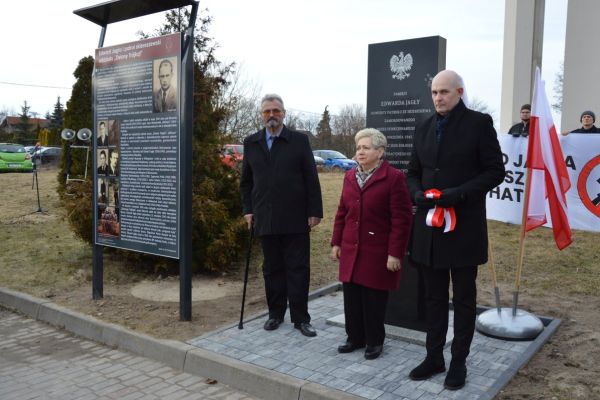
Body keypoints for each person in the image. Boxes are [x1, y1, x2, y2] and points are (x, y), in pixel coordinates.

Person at [406, 70, 505, 390]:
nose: (438, 98)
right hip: (430, 230)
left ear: (459, 92)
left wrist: (458, 194)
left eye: (444, 92)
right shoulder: (423, 126)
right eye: (434, 92)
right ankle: (434, 356)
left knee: (463, 298)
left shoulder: (479, 123)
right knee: (433, 297)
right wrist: (417, 194)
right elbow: (413, 172)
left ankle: (459, 361)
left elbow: (495, 171)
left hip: (463, 227)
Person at [240, 94, 323, 337]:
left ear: (284, 113)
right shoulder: (251, 143)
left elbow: (311, 178)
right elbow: (246, 182)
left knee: (298, 268)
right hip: (265, 216)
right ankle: (275, 314)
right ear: (261, 115)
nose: (271, 115)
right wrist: (248, 210)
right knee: (272, 268)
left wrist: (315, 211)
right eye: (267, 111)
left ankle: (301, 318)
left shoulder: (299, 141)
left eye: (276, 110)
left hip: (296, 216)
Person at [330, 128, 413, 360]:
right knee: (352, 297)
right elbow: (342, 212)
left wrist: (395, 253)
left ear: (380, 151)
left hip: (377, 250)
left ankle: (375, 341)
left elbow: (402, 219)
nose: (360, 152)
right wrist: (336, 242)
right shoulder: (350, 176)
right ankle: (354, 337)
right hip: (350, 247)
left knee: (373, 299)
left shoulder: (394, 178)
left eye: (366, 147)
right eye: (358, 148)